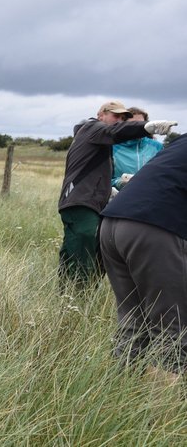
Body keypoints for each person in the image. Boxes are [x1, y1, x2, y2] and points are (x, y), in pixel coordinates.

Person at [57, 101, 176, 288]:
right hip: (81, 200)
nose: (119, 120)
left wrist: (114, 186)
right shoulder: (92, 128)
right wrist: (146, 127)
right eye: (116, 116)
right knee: (83, 244)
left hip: (92, 201)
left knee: (85, 247)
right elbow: (115, 131)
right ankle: (79, 293)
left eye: (123, 118)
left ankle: (70, 291)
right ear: (101, 114)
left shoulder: (102, 142)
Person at [100, 136, 187, 386]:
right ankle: (162, 408)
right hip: (154, 227)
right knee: (172, 327)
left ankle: (120, 395)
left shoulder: (180, 143)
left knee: (133, 320)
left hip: (113, 224)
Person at [111, 106, 164, 192]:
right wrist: (118, 182)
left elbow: (164, 174)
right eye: (133, 124)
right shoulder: (112, 147)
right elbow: (102, 179)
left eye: (142, 124)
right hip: (120, 197)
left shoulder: (157, 146)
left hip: (150, 196)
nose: (138, 127)